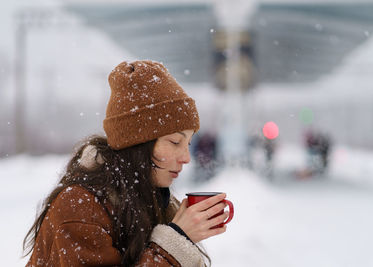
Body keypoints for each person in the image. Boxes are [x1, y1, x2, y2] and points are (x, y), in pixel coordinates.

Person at [23, 61, 230, 266]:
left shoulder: (155, 200)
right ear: (138, 144)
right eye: (175, 142)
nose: (186, 158)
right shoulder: (79, 207)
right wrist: (175, 243)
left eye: (188, 144)